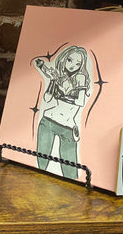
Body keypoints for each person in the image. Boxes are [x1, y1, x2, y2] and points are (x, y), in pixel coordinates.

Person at [34, 45, 91, 179]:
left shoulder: (80, 78)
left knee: (71, 172)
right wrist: (53, 82)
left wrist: (67, 88)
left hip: (68, 127)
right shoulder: (59, 77)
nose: (73, 66)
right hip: (48, 121)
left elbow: (80, 101)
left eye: (78, 63)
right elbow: (47, 98)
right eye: (70, 60)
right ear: (64, 59)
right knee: (40, 166)